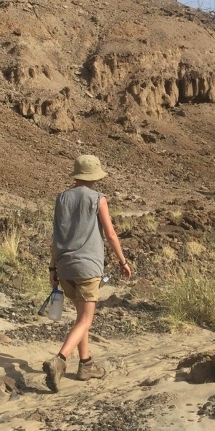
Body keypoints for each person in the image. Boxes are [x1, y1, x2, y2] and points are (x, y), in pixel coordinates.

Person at [43, 154, 132, 393]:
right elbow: (111, 235)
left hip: (64, 266)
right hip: (88, 268)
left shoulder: (61, 198)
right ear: (94, 176)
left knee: (80, 318)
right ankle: (59, 360)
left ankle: (86, 365)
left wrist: (52, 267)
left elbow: (56, 237)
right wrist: (123, 261)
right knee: (86, 320)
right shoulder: (98, 199)